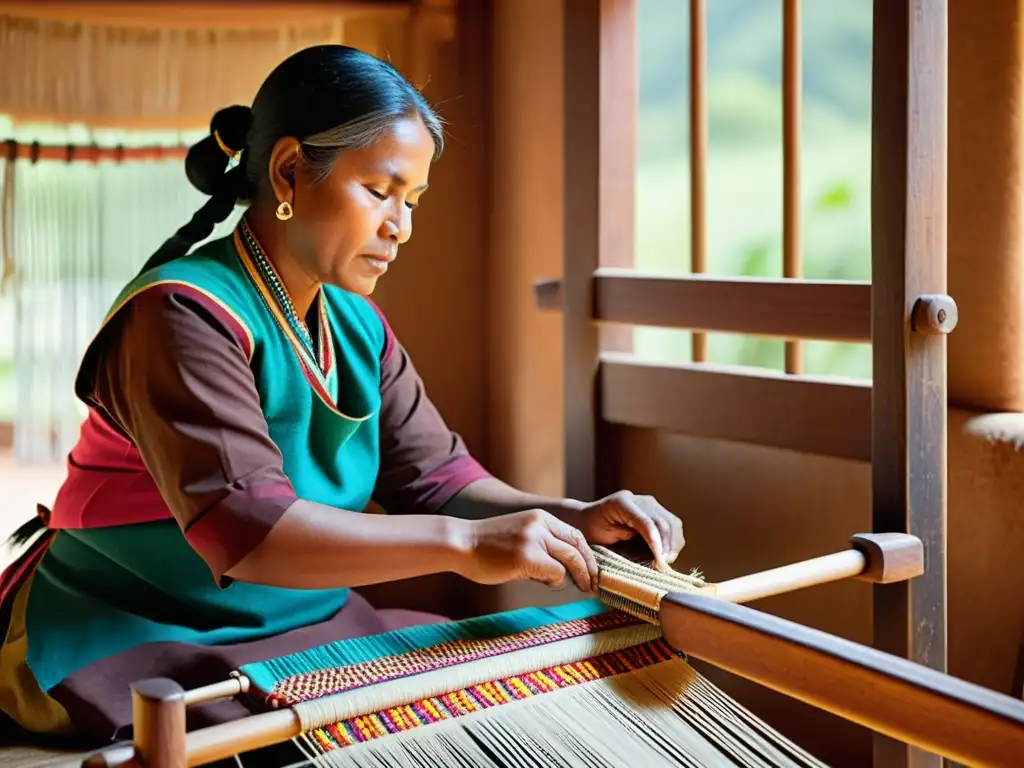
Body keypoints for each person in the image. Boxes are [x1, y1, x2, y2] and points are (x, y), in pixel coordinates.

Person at [0, 44, 684, 751]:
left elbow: (439, 481)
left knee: (505, 682)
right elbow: (249, 533)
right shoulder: (180, 312)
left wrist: (572, 518)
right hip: (133, 629)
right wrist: (469, 546)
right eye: (381, 190)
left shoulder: (357, 325)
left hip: (303, 624)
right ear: (289, 169)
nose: (401, 226)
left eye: (412, 200)